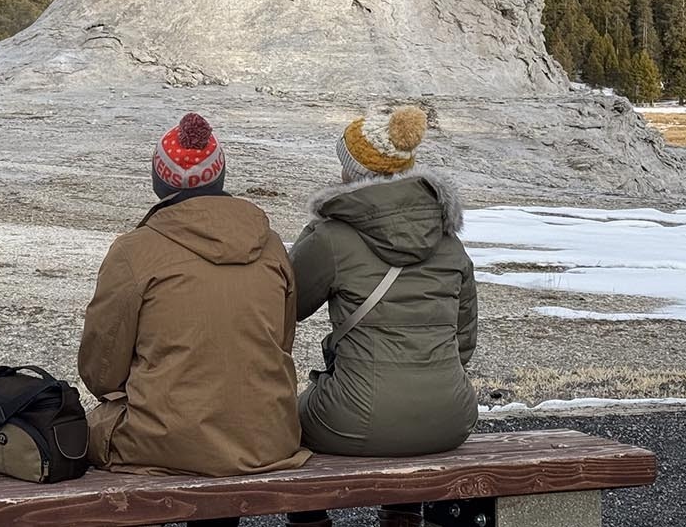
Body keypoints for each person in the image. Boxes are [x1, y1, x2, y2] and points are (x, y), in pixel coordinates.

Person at [79, 112, 310, 527]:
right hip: (268, 439)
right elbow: (282, 342)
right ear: (219, 176)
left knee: (98, 432)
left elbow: (100, 373)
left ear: (159, 181)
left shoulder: (134, 252)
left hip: (165, 442)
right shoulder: (272, 245)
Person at [287, 106, 478, 527]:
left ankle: (309, 522)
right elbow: (463, 342)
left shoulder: (333, 238)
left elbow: (288, 304)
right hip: (451, 416)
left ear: (353, 172)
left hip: (355, 416)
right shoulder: (449, 241)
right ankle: (402, 518)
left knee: (287, 426)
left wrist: (315, 229)